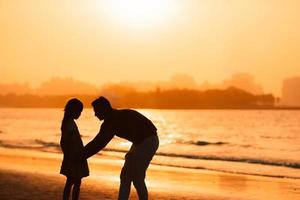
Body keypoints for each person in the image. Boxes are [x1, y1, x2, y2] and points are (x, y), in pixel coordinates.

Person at [82, 96, 159, 200]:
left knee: (137, 177)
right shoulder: (110, 121)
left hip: (148, 141)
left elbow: (99, 143)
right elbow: (97, 142)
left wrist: (82, 156)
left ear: (104, 108)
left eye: (96, 111)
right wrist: (82, 155)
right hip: (139, 143)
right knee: (125, 176)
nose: (95, 114)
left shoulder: (113, 120)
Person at [60, 98, 89, 200]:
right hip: (73, 157)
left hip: (75, 156)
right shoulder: (69, 123)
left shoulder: (69, 122)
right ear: (73, 110)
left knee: (73, 181)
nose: (80, 114)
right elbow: (64, 142)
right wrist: (67, 156)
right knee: (73, 182)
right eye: (79, 111)